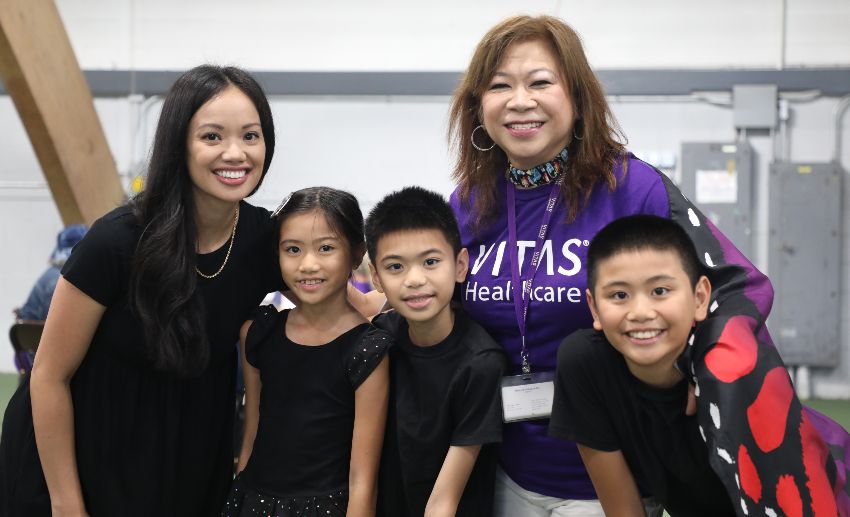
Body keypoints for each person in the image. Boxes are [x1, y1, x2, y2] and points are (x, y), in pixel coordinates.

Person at [447, 14, 850, 517]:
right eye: (499, 85)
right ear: (477, 105)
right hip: (502, 471)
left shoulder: (632, 187)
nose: (520, 100)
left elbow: (733, 286)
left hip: (616, 476)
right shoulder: (468, 204)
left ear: (576, 97)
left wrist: (698, 370)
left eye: (540, 82)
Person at [0, 65, 282, 517]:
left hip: (187, 455)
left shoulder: (263, 239)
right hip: (83, 458)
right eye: (212, 137)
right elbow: (49, 375)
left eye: (251, 136)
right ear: (179, 145)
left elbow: (334, 288)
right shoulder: (116, 241)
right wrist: (66, 504)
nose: (236, 153)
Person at [222, 187, 390, 517]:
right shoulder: (259, 333)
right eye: (293, 249)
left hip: (327, 508)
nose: (308, 264)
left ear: (357, 253)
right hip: (255, 502)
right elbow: (251, 435)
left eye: (326, 248)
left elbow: (363, 480)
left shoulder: (369, 349)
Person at [550, 215, 729, 516]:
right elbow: (623, 510)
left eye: (660, 291)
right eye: (620, 295)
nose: (641, 312)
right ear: (593, 307)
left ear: (700, 298)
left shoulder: (732, 369)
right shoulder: (585, 363)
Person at [365, 186, 506, 517]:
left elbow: (444, 501)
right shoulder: (381, 338)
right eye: (395, 267)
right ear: (376, 276)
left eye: (430, 262)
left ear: (459, 266)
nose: (415, 279)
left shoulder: (480, 363)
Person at [15, 224, 87, 322]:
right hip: (37, 335)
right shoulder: (61, 281)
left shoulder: (53, 273)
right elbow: (51, 324)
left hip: (29, 333)